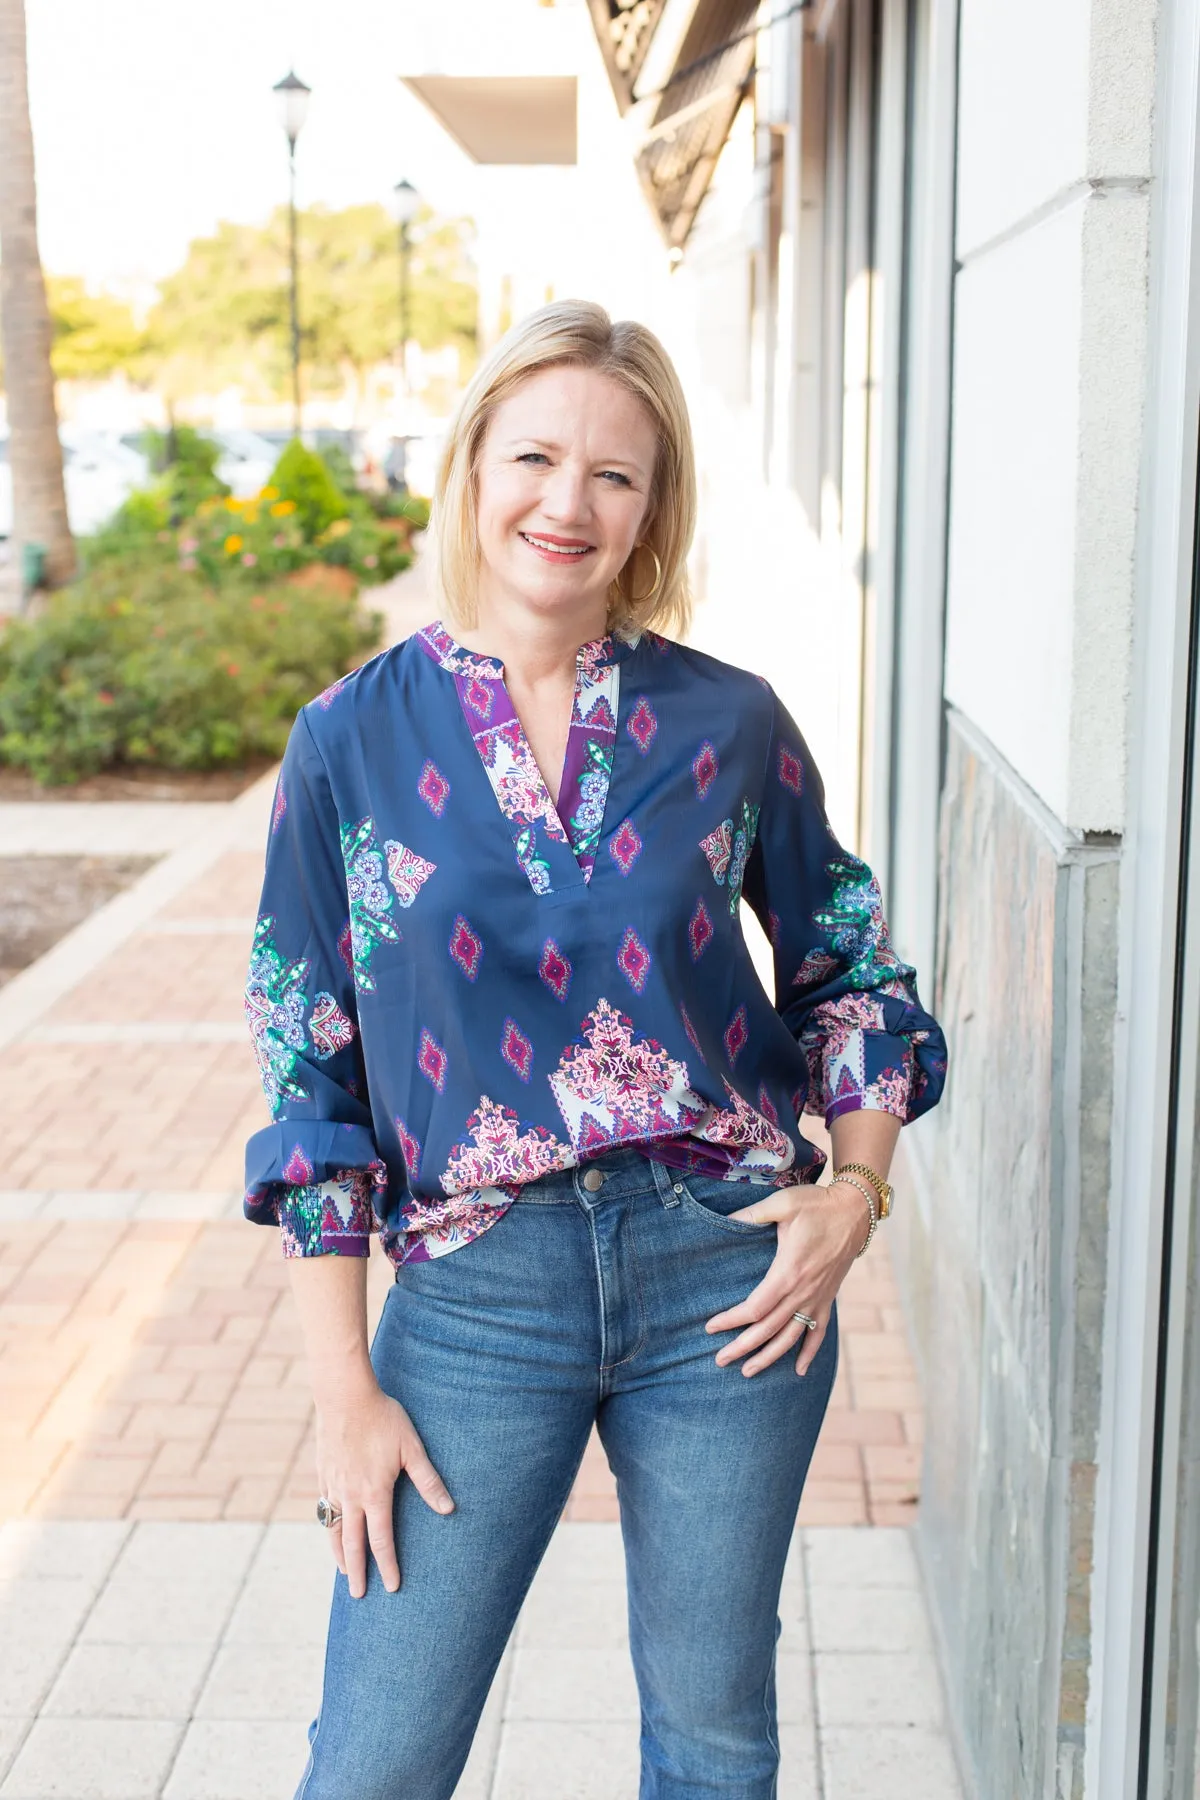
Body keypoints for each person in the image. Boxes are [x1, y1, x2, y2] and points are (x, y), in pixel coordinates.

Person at [243, 299, 947, 1799]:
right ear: (471, 469)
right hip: (476, 1298)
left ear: (649, 510)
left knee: (713, 1735)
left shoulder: (731, 724)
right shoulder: (348, 740)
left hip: (728, 1281)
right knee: (376, 1757)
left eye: (613, 474)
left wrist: (855, 1192)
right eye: (536, 457)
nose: (567, 502)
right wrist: (342, 1391)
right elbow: (311, 1069)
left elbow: (850, 964)